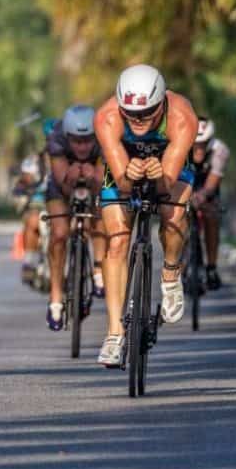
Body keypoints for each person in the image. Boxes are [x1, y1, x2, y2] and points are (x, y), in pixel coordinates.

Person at [93, 64, 197, 367]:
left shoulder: (181, 116)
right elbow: (123, 184)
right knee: (116, 241)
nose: (138, 121)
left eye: (146, 113)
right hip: (124, 164)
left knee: (173, 213)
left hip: (168, 166)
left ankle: (170, 272)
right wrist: (130, 174)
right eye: (131, 113)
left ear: (161, 102)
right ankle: (114, 334)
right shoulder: (107, 117)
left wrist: (158, 176)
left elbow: (167, 182)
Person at [43, 104, 107, 330]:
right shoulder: (56, 139)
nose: (82, 146)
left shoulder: (103, 139)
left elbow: (102, 184)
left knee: (101, 209)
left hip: (93, 185)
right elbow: (62, 183)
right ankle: (56, 298)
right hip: (61, 187)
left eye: (88, 140)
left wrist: (92, 179)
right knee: (59, 234)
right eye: (77, 141)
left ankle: (99, 269)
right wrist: (72, 179)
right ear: (67, 137)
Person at [189, 117, 229, 290]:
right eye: (195, 144)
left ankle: (211, 267)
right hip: (185, 183)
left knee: (212, 216)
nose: (198, 149)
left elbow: (213, 181)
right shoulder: (179, 146)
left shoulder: (220, 150)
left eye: (203, 144)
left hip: (207, 185)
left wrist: (202, 196)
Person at [11, 153, 47, 287]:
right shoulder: (33, 161)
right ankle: (29, 262)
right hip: (37, 210)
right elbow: (18, 191)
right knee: (32, 221)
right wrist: (21, 198)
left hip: (56, 207)